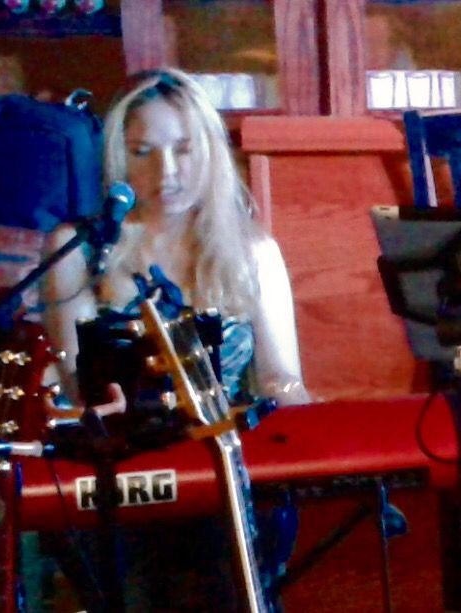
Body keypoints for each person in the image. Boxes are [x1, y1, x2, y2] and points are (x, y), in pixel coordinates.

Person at [40, 67, 311, 611]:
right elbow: (72, 382)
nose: (166, 173)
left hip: (226, 466)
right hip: (120, 473)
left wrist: (319, 444)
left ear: (209, 150)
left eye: (184, 150)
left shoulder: (253, 250)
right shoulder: (80, 248)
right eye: (142, 152)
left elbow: (282, 379)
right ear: (118, 158)